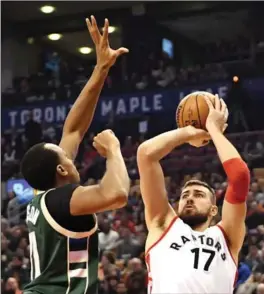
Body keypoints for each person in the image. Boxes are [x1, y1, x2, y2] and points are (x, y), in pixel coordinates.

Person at [20, 16, 130, 294]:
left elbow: (74, 129)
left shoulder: (42, 198)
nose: (71, 155)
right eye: (65, 157)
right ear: (60, 170)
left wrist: (101, 69)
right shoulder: (61, 200)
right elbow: (116, 193)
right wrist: (113, 150)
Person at [137, 95, 250, 294]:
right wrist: (189, 132)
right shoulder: (163, 224)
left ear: (214, 209)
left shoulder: (227, 236)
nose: (189, 197)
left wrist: (213, 130)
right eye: (185, 195)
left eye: (198, 195)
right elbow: (146, 154)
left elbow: (239, 176)